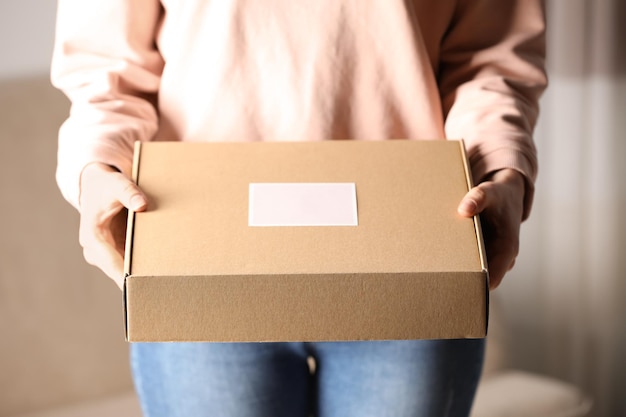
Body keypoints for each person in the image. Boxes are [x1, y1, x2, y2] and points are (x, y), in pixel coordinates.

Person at [51, 1, 547, 416]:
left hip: (414, 258)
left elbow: (491, 57)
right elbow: (106, 67)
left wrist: (500, 165)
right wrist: (96, 168)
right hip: (199, 261)